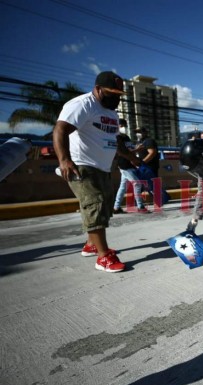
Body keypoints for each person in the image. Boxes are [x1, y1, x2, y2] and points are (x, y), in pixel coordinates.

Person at [53, 71, 138, 273]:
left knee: (105, 207)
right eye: (112, 94)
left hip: (102, 168)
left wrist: (130, 157)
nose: (117, 99)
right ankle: (103, 257)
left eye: (119, 95)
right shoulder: (83, 104)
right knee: (95, 204)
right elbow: (60, 129)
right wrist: (64, 160)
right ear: (98, 89)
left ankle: (92, 244)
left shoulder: (111, 113)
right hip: (81, 165)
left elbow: (115, 141)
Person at [113, 119, 148, 213]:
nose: (123, 127)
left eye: (124, 125)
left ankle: (116, 207)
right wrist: (137, 150)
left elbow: (130, 149)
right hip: (124, 164)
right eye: (121, 125)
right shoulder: (116, 138)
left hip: (130, 164)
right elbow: (121, 153)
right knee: (137, 183)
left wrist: (134, 157)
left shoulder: (127, 138)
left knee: (123, 186)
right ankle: (140, 207)